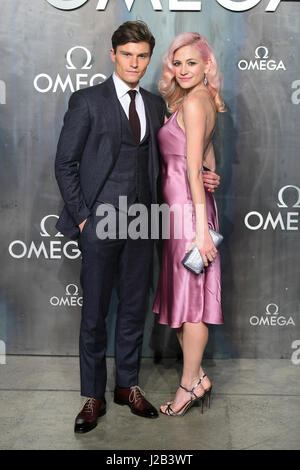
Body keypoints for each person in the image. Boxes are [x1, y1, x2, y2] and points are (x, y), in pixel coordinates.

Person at [55, 21, 221, 433]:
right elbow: (65, 164)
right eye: (127, 54)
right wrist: (82, 218)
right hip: (100, 222)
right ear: (114, 55)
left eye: (142, 55)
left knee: (132, 310)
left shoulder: (154, 103)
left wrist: (205, 173)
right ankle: (93, 395)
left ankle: (127, 386)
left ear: (149, 59)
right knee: (94, 314)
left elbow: (180, 153)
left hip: (145, 222)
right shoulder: (88, 100)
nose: (134, 62)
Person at [152, 32, 225, 417]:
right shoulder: (198, 100)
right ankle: (196, 379)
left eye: (191, 63)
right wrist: (212, 173)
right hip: (180, 212)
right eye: (177, 63)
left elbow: (195, 172)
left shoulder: (195, 103)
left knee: (192, 304)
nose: (182, 70)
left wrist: (199, 230)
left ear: (206, 66)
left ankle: (189, 384)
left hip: (188, 215)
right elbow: (205, 158)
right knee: (184, 300)